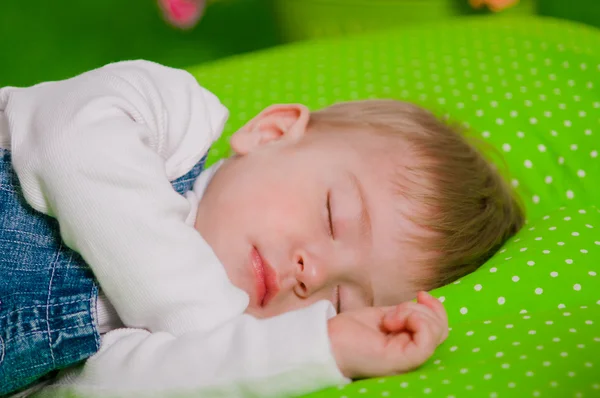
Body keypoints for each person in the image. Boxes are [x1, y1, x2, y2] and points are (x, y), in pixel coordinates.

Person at [0, 60, 523, 397]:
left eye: (339, 300)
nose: (311, 272)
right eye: (331, 216)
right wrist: (211, 321)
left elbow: (100, 391)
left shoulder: (161, 343)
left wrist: (320, 348)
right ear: (270, 133)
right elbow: (72, 143)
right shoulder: (170, 117)